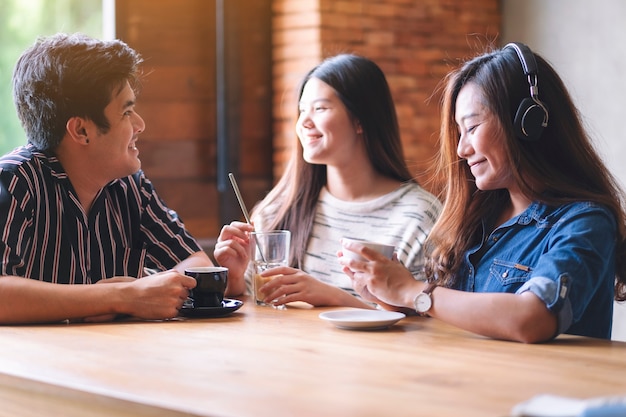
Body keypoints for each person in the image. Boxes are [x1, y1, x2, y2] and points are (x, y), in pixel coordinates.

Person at [340, 42, 626, 343]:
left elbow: (534, 318)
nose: (462, 149)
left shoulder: (586, 221)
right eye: (459, 133)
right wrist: (394, 297)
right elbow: (457, 318)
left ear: (527, 123)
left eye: (472, 127)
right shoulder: (477, 219)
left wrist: (414, 292)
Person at [0, 33, 220, 324]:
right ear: (81, 131)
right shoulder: (14, 181)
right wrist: (121, 296)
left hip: (115, 359)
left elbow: (195, 263)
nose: (140, 124)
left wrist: (142, 291)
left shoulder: (131, 186)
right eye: (127, 112)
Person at [214, 54, 441, 308]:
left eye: (320, 109)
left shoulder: (418, 215)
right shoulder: (278, 210)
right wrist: (233, 279)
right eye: (301, 111)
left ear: (360, 120)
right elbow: (255, 310)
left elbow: (428, 321)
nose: (304, 123)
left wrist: (332, 297)